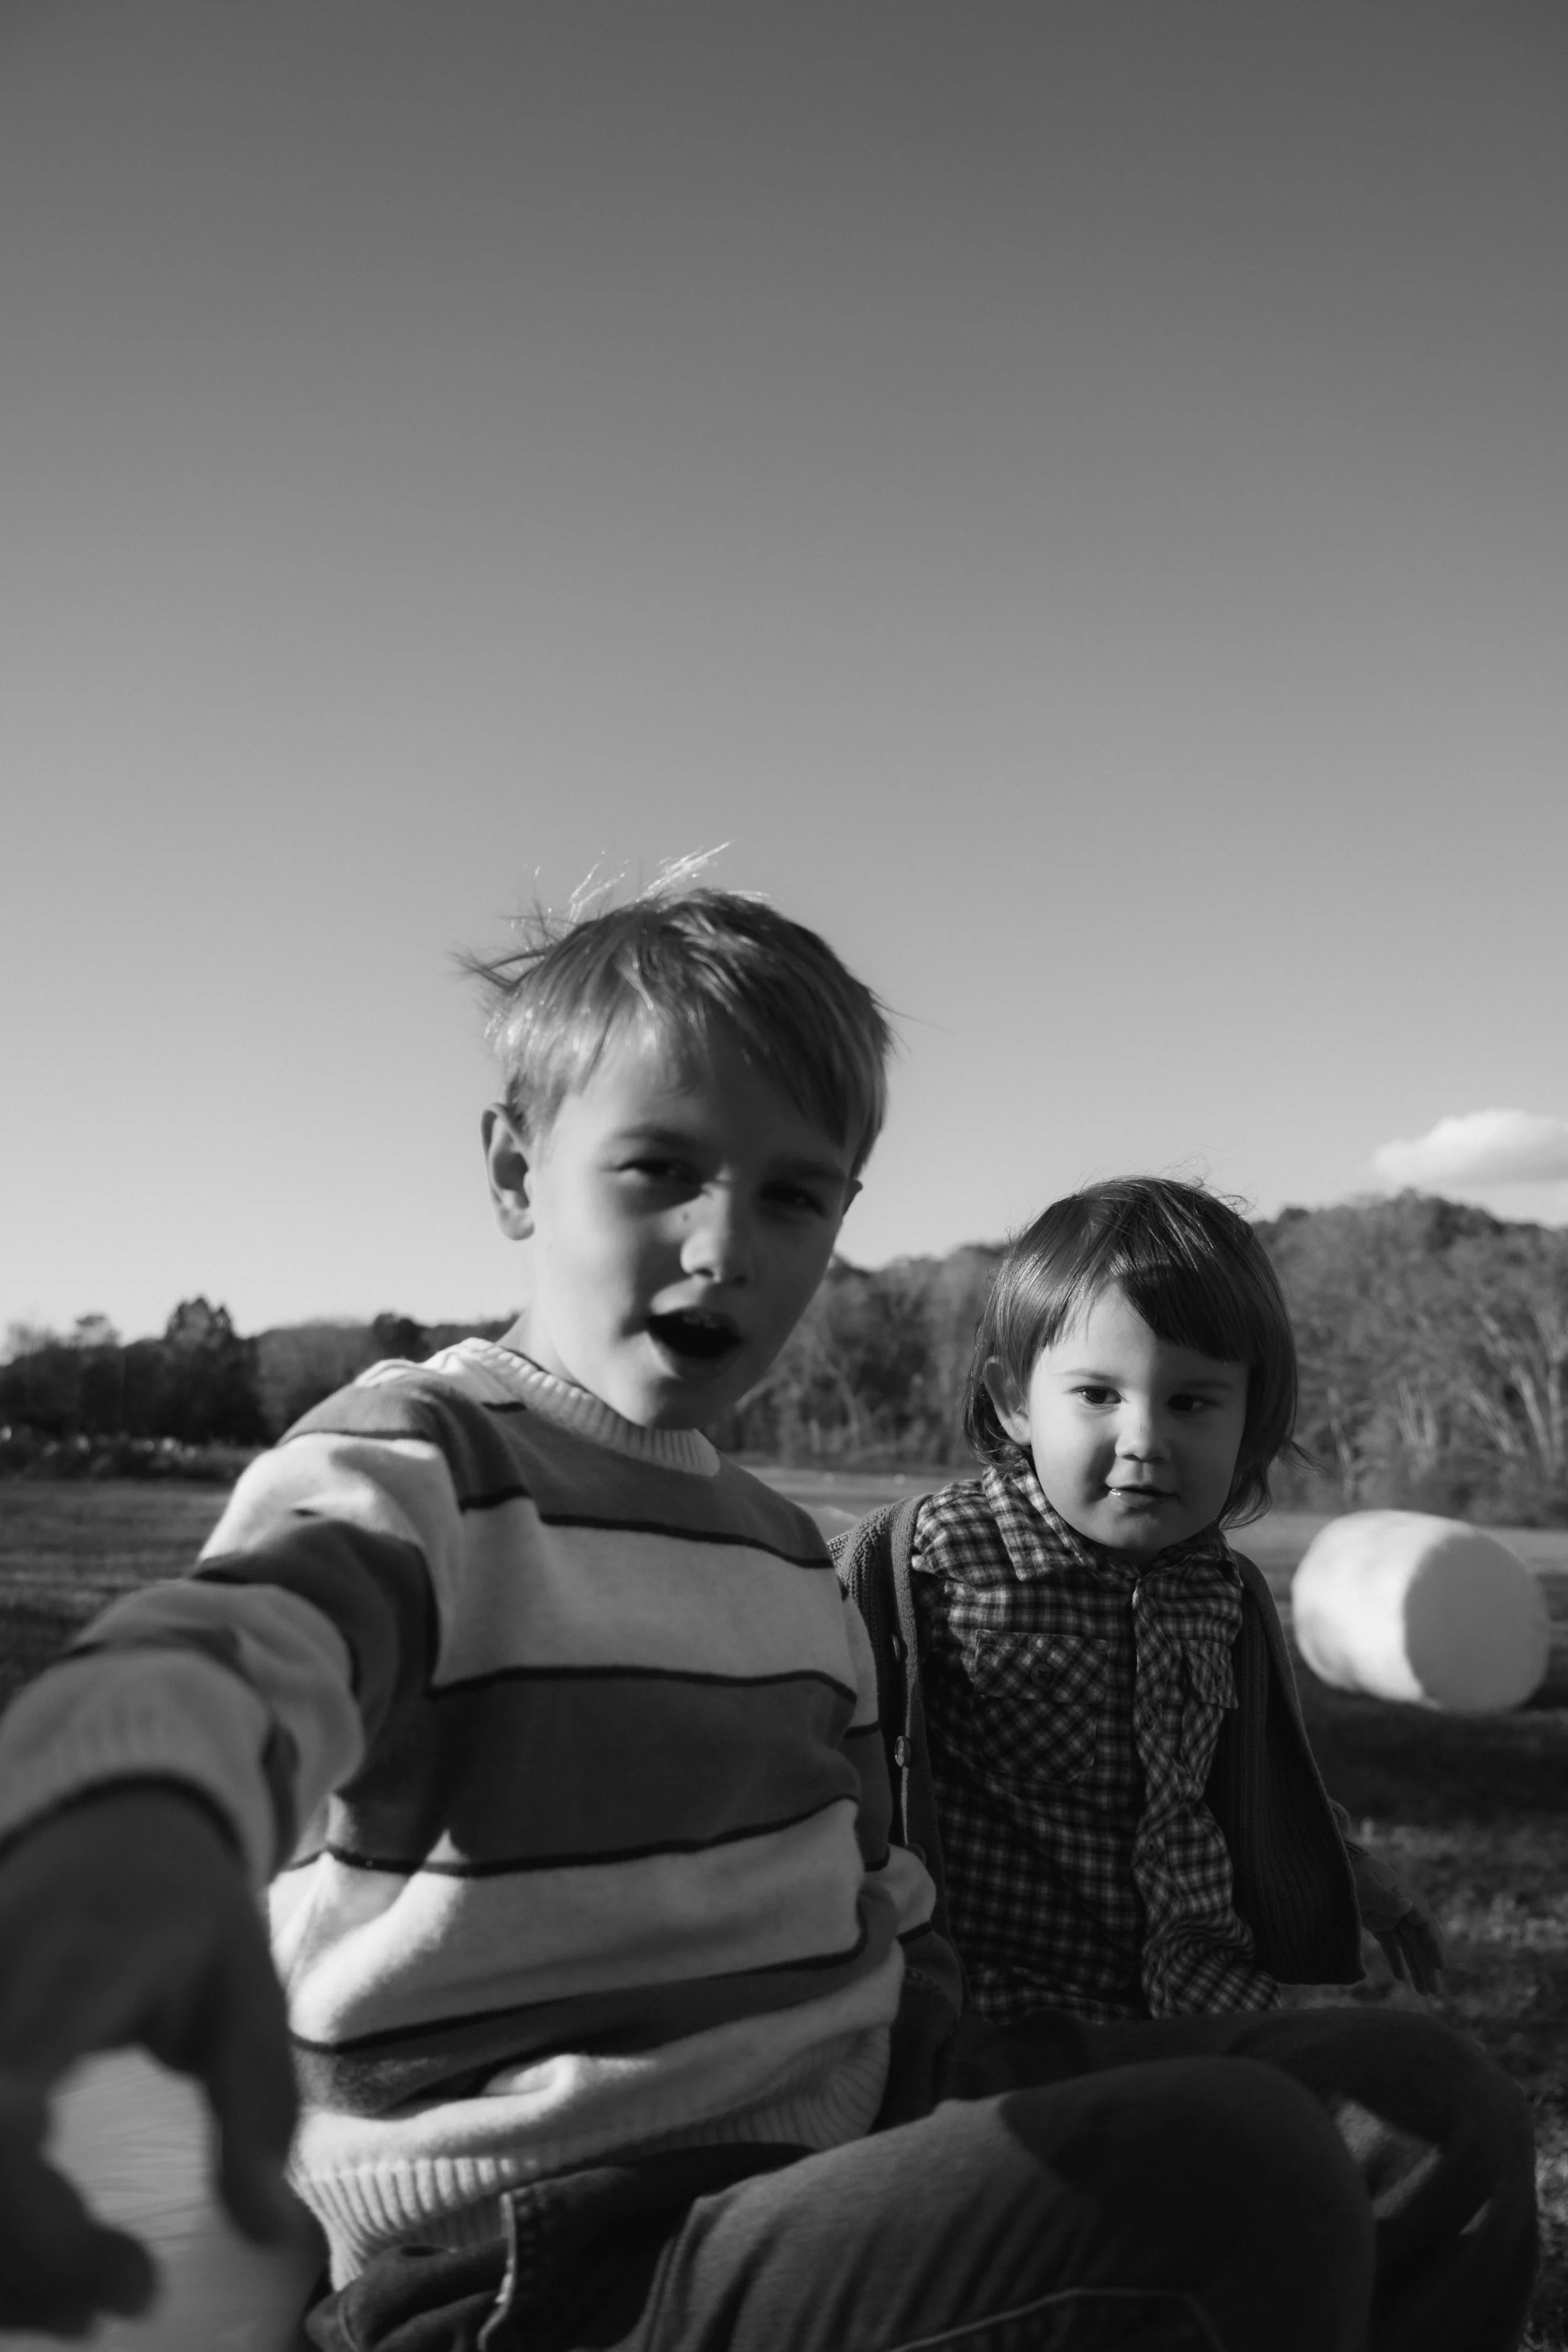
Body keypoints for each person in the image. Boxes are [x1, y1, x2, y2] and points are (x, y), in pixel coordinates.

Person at [0, 888, 1517, 2352]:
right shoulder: (419, 1468)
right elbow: (247, 1650)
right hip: (547, 2241)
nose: (729, 1243)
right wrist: (136, 1818)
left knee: (1422, 2109)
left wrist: (922, 2014)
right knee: (1231, 2169)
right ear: (518, 1172)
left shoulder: (784, 1551)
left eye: (791, 1193)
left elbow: (865, 1868)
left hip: (852, 2118)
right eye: (661, 1169)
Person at [850, 1177, 1443, 2029]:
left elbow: (1255, 1786)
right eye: (1098, 1394)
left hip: (1210, 2006)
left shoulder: (1221, 1591)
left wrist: (1358, 1878)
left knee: (1442, 2094)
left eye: (1192, 1401)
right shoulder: (923, 1561)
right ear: (1016, 1399)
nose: (1145, 1440)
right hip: (1008, 2026)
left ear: (1251, 1419)